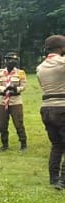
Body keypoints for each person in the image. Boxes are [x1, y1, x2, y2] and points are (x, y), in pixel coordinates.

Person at [37, 35, 65, 188]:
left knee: (57, 145)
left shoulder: (40, 67)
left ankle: (53, 178)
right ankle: (63, 180)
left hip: (46, 108)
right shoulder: (62, 63)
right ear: (62, 48)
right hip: (62, 106)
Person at [0, 52, 28, 152]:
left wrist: (15, 88)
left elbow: (23, 86)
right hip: (2, 100)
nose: (12, 62)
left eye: (14, 60)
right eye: (9, 60)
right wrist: (4, 89)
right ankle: (4, 144)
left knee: (18, 123)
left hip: (15, 100)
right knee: (2, 124)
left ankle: (23, 144)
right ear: (5, 60)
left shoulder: (20, 72)